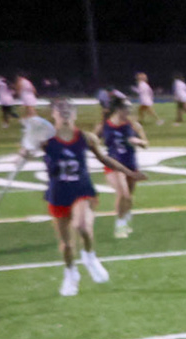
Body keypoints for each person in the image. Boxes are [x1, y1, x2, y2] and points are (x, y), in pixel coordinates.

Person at [35, 99, 142, 297]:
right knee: (67, 244)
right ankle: (71, 273)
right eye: (61, 109)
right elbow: (26, 151)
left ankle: (90, 256)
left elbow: (105, 159)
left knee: (82, 226)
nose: (65, 112)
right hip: (58, 194)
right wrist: (22, 153)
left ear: (75, 114)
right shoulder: (46, 141)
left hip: (82, 190)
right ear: (54, 115)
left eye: (69, 109)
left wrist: (130, 172)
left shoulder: (85, 137)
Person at [98, 95, 150, 238]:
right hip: (114, 165)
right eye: (127, 108)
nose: (129, 110)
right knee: (123, 194)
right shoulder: (105, 125)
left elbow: (146, 143)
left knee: (129, 197)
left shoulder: (133, 124)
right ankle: (120, 225)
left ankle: (126, 218)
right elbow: (93, 140)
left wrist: (138, 141)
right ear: (118, 109)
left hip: (131, 164)